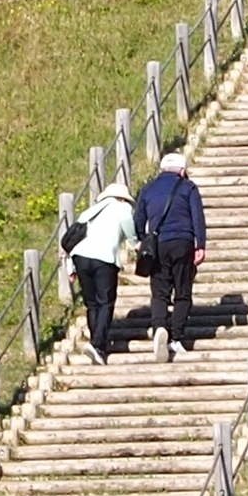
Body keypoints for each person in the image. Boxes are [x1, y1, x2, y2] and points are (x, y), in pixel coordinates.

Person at [133, 145, 209, 345]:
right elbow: (197, 217)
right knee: (182, 292)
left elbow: (138, 220)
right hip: (183, 242)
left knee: (159, 292)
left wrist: (142, 240)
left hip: (158, 245)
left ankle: (159, 329)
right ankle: (176, 337)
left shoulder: (148, 188)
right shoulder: (188, 187)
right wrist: (200, 244)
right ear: (182, 171)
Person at [61, 174, 138, 350]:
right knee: (106, 301)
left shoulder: (90, 211)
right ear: (122, 198)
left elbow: (74, 239)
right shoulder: (122, 209)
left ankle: (96, 340)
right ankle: (98, 344)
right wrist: (136, 244)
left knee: (91, 303)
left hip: (80, 257)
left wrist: (70, 267)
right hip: (104, 259)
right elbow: (130, 231)